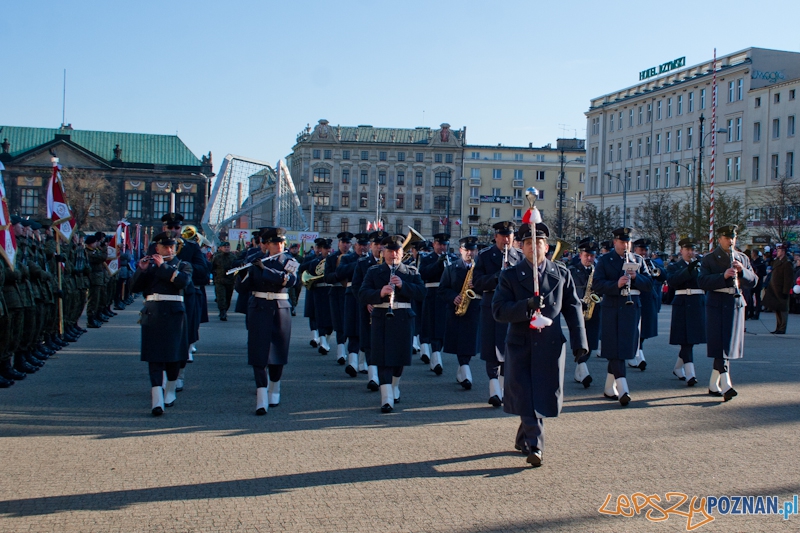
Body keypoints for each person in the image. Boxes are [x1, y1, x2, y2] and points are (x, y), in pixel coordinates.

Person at [492, 222, 588, 467]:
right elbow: (499, 310)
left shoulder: (561, 273)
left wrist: (580, 342)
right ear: (521, 247)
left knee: (542, 395)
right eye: (527, 243)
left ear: (546, 246)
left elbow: (573, 308)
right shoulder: (509, 276)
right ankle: (536, 446)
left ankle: (523, 437)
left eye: (538, 243)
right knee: (525, 394)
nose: (533, 247)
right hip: (520, 343)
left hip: (550, 344)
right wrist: (525, 306)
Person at [234, 227, 299, 415]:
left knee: (278, 352)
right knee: (258, 352)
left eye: (281, 242)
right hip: (259, 308)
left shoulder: (290, 261)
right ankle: (261, 396)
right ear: (266, 245)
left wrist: (265, 270)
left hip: (280, 308)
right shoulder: (256, 261)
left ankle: (274, 387)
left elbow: (289, 281)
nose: (279, 246)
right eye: (274, 243)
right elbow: (241, 288)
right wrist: (245, 271)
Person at [358, 235, 426, 413]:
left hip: (403, 317)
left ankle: (395, 386)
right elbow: (362, 293)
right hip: (381, 317)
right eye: (389, 251)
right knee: (382, 359)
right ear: (384, 252)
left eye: (397, 251)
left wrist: (403, 285)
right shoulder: (374, 271)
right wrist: (380, 292)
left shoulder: (411, 271)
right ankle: (386, 397)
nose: (393, 254)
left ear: (402, 252)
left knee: (399, 360)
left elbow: (421, 293)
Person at [130, 232, 192, 416]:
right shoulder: (150, 266)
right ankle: (156, 398)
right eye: (165, 247)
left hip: (174, 314)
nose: (169, 249)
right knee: (154, 357)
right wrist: (141, 270)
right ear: (157, 248)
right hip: (153, 312)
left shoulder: (183, 265)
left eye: (172, 246)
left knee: (174, 358)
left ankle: (170, 389)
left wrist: (163, 266)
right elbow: (134, 288)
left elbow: (184, 282)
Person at [590, 227, 653, 406]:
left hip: (631, 308)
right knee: (614, 348)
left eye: (628, 242)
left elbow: (649, 284)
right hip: (612, 307)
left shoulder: (638, 260)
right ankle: (623, 388)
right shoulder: (604, 260)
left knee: (624, 347)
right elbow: (597, 284)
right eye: (622, 241)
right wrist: (616, 284)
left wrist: (636, 278)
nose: (625, 245)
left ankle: (610, 387)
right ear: (615, 242)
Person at [697, 225, 757, 401]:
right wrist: (722, 276)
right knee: (719, 345)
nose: (730, 241)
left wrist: (742, 271)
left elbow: (753, 280)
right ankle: (726, 384)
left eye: (733, 238)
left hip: (735, 304)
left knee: (728, 346)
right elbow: (702, 281)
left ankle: (713, 384)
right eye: (727, 238)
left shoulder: (742, 258)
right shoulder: (709, 259)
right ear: (720, 239)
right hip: (717, 304)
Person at [472, 221, 523, 406]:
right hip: (491, 306)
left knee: (509, 347)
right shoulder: (485, 256)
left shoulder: (519, 256)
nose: (506, 239)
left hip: (512, 307)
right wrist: (496, 277)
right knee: (491, 348)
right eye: (502, 236)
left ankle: (504, 389)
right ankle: (494, 389)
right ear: (496, 237)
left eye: (509, 235)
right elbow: (476, 282)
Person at [438, 236, 481, 390]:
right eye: (467, 250)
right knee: (461, 343)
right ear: (460, 250)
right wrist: (453, 297)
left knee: (469, 344)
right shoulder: (451, 268)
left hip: (475, 309)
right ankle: (465, 373)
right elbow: (442, 289)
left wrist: (478, 284)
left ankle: (462, 370)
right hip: (457, 311)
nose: (470, 253)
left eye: (473, 250)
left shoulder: (480, 269)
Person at [666, 238, 706, 386]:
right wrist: (688, 270)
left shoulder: (701, 266)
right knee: (686, 340)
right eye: (687, 250)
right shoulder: (674, 266)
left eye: (692, 250)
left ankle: (678, 368)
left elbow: (705, 282)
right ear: (681, 251)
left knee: (691, 340)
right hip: (682, 303)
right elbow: (672, 281)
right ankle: (690, 373)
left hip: (697, 303)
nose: (690, 252)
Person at [351, 231, 387, 391]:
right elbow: (356, 286)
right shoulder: (363, 263)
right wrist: (366, 302)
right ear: (371, 246)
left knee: (384, 342)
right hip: (367, 309)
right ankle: (373, 376)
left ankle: (384, 376)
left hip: (386, 309)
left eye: (382, 244)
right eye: (376, 244)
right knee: (369, 341)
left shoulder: (390, 264)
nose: (379, 247)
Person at [418, 233, 454, 374]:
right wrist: (438, 263)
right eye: (439, 244)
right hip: (432, 295)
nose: (442, 247)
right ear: (434, 245)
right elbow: (423, 273)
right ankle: (436, 357)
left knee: (443, 329)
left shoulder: (452, 258)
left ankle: (436, 356)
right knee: (432, 328)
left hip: (447, 297)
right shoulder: (427, 258)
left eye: (444, 244)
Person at [567, 238, 601, 388]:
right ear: (580, 255)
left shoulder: (598, 269)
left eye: (592, 256)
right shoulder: (572, 270)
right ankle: (583, 370)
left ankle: (578, 371)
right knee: (580, 341)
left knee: (592, 342)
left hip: (594, 309)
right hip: (577, 309)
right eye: (586, 255)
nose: (589, 258)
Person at [629, 239, 664, 371]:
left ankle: (637, 352)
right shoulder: (633, 261)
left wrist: (654, 267)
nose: (643, 253)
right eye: (641, 250)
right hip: (637, 297)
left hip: (648, 299)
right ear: (635, 249)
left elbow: (663, 276)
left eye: (645, 250)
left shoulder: (651, 263)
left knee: (644, 329)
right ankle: (637, 355)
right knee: (635, 329)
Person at [339, 233, 369, 377]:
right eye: (360, 245)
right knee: (352, 328)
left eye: (365, 245)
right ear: (355, 245)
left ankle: (363, 363)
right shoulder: (347, 258)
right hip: (352, 294)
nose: (363, 248)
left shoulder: (372, 260)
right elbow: (340, 272)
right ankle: (352, 362)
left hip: (368, 296)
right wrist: (358, 263)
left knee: (364, 328)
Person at [325, 232, 354, 365]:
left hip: (350, 291)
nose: (346, 245)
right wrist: (338, 275)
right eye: (343, 242)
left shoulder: (354, 257)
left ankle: (353, 352)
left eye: (348, 243)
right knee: (338, 322)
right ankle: (341, 351)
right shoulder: (332, 258)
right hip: (336, 291)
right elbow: (327, 277)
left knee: (351, 321)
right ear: (339, 243)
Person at [211, 241, 235, 320]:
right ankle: (222, 312)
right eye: (225, 247)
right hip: (219, 280)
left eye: (228, 247)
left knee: (228, 297)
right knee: (221, 297)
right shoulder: (217, 257)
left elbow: (237, 267)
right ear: (221, 248)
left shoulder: (233, 257)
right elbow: (212, 267)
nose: (226, 248)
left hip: (230, 281)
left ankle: (225, 310)